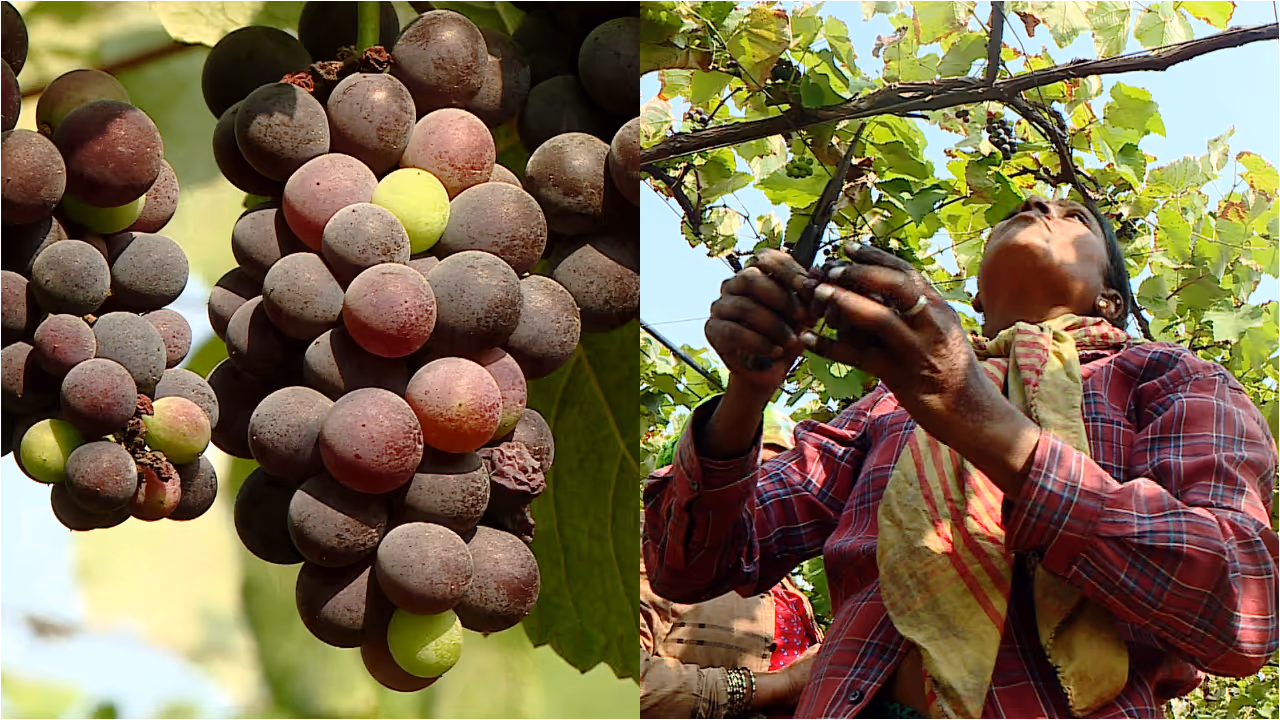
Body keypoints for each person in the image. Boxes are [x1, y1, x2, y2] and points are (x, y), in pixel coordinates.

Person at [643, 196, 1278, 718]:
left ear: (1109, 301)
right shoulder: (890, 404)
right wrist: (745, 396)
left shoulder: (1167, 378)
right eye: (1025, 207)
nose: (1037, 201)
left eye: (1074, 216)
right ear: (974, 298)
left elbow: (1242, 602)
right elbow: (686, 566)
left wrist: (981, 420)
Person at [642, 407, 824, 719]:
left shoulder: (781, 584)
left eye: (784, 477)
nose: (766, 490)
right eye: (753, 471)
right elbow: (619, 681)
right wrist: (781, 684)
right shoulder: (654, 547)